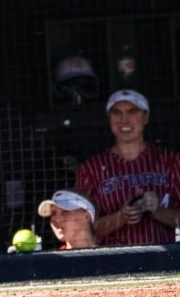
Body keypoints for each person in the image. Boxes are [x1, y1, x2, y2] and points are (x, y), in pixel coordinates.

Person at [73, 89, 180, 247]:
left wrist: (157, 212)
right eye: (116, 113)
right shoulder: (91, 169)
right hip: (113, 264)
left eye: (132, 112)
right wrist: (121, 217)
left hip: (164, 261)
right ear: (109, 119)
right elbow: (81, 228)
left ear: (145, 117)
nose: (124, 120)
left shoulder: (171, 162)